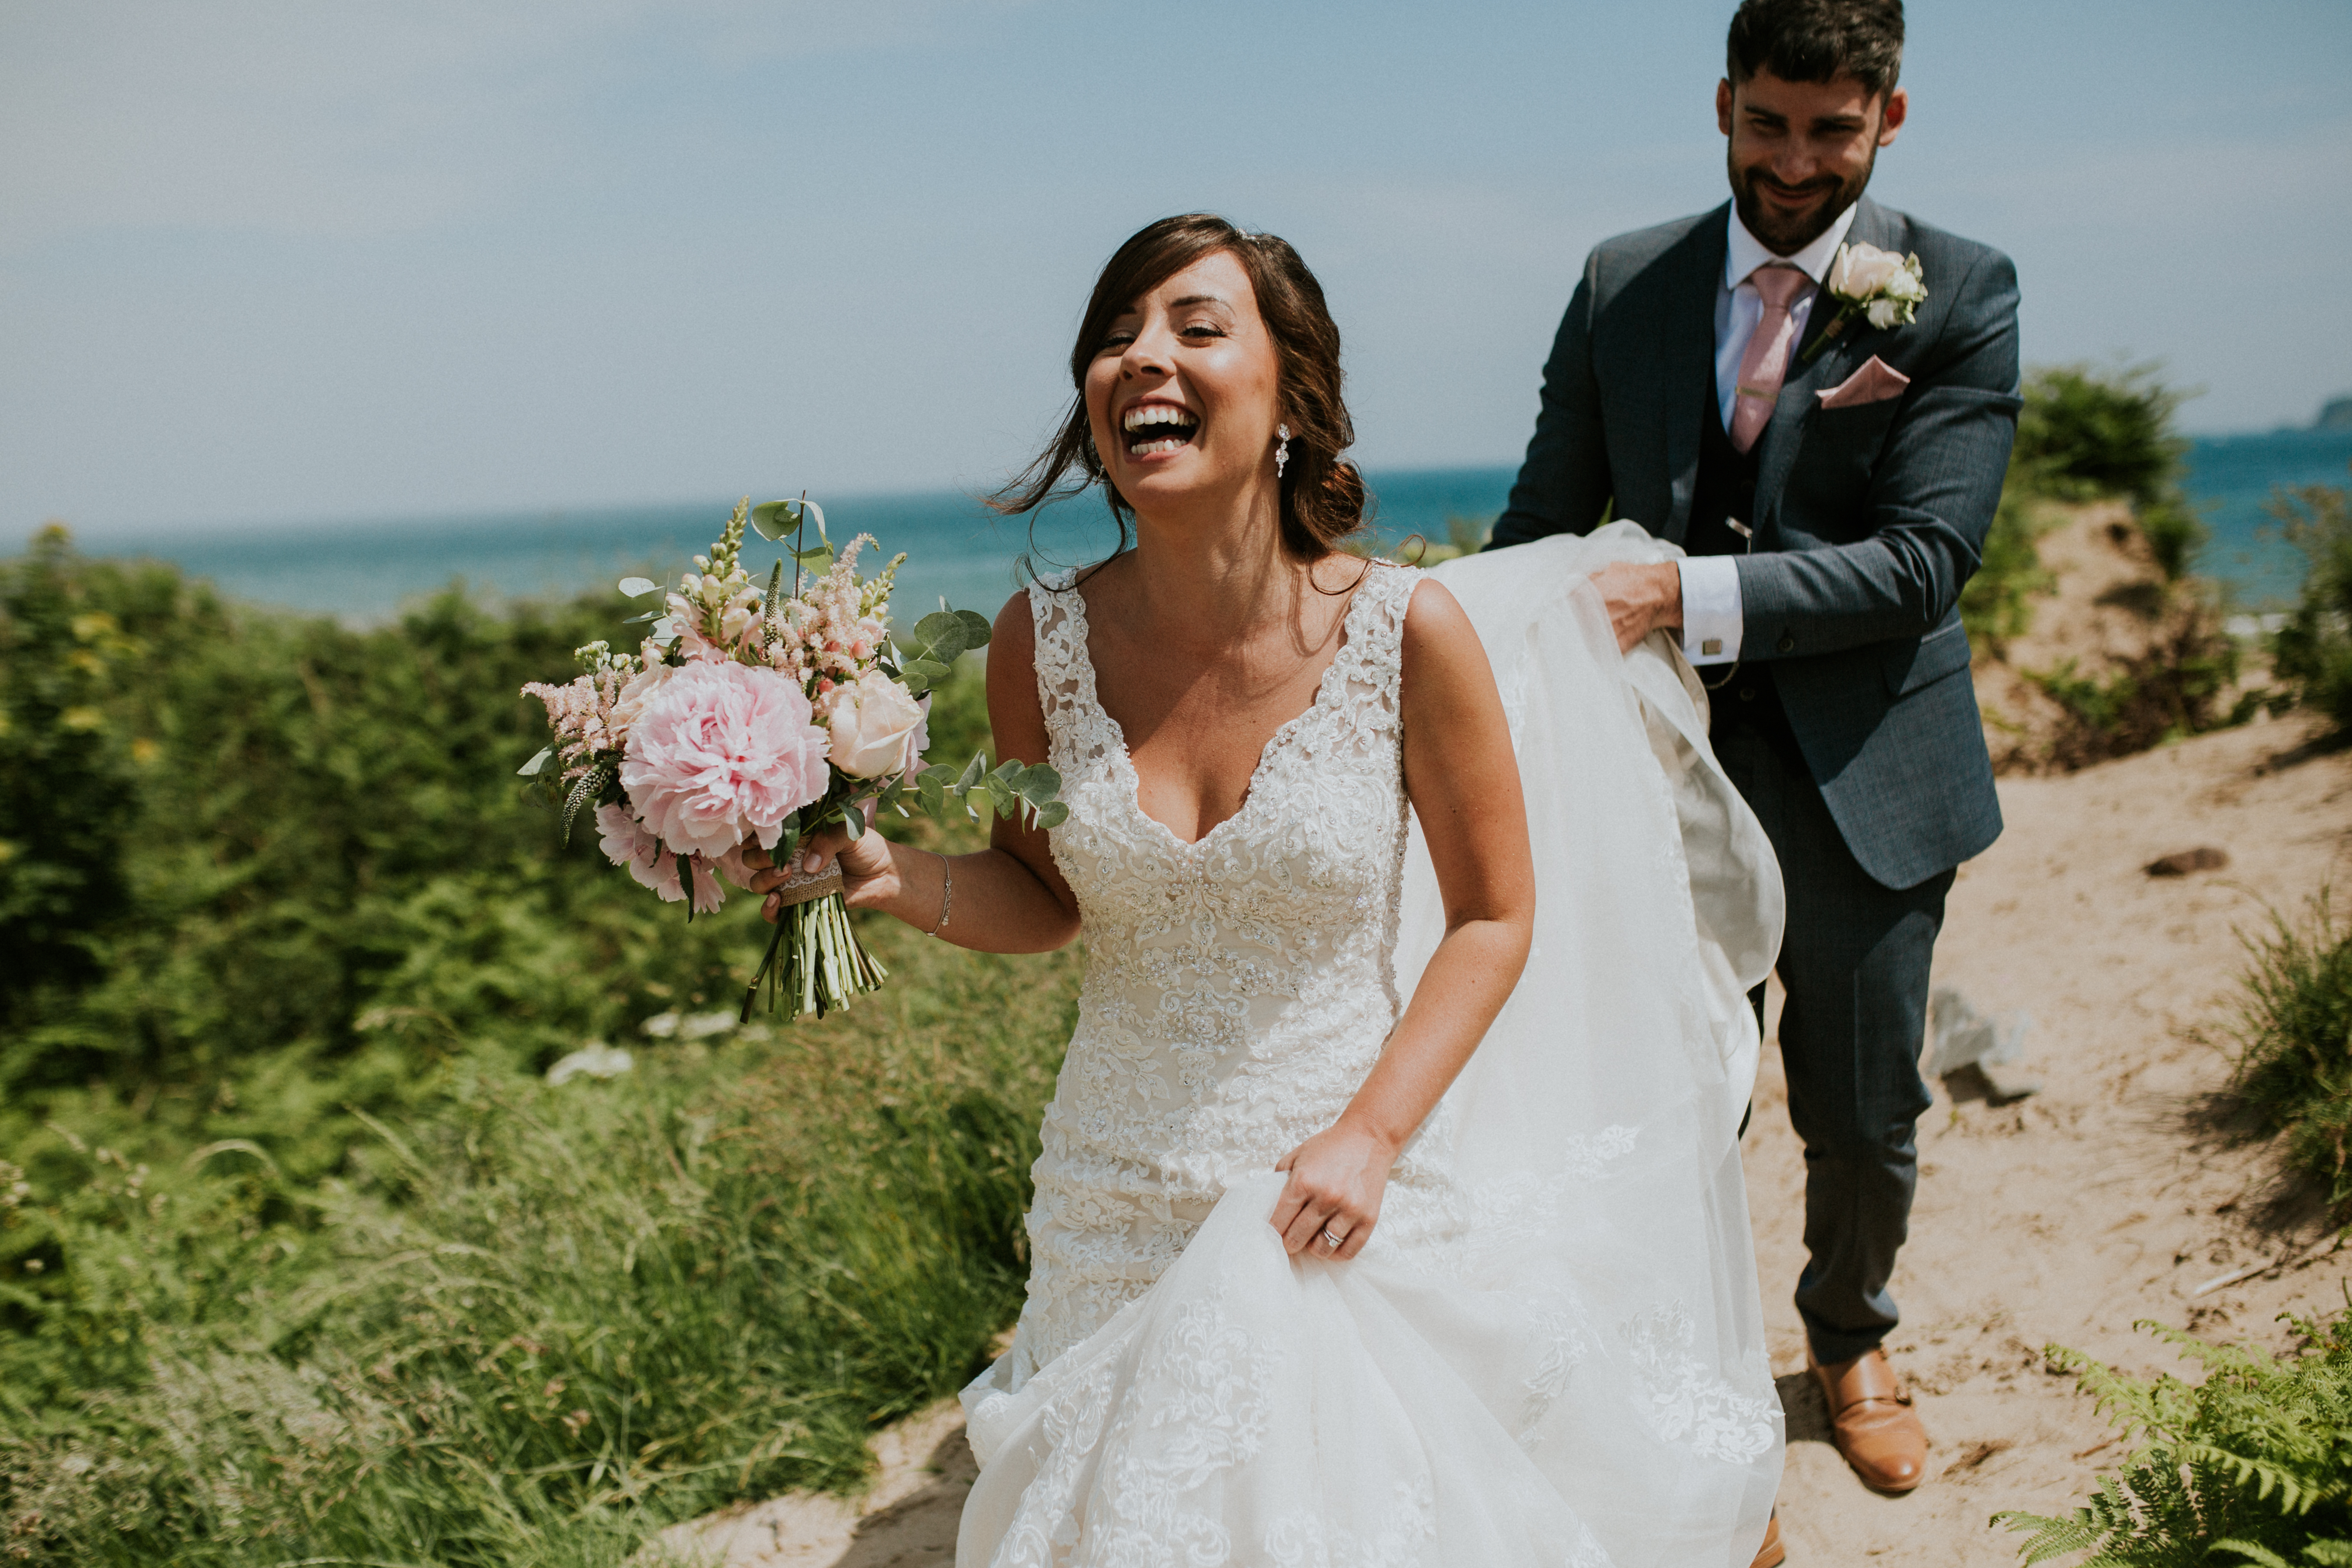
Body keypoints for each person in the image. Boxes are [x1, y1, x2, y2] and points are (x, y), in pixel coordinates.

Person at [755, 213, 1787, 1567]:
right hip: (1111, 1200)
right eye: (1115, 338)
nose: (1141, 362)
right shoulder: (1036, 643)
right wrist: (891, 879)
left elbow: (1494, 918)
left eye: (1194, 327)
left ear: (1294, 397)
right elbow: (1042, 896)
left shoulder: (1408, 634)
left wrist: (1367, 1139)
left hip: (1336, 1185)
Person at [1489, 0, 2021, 1507]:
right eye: (1768, 124)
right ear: (1723, 102)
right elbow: (1541, 524)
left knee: (1865, 1108)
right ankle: (1691, 1379)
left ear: (1890, 120)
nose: (1795, 164)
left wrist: (1677, 592)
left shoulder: (1963, 291)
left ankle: (1850, 1340)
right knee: (1673, 1105)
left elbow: (1925, 564)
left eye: (1833, 131)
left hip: (1874, 779)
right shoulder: (1620, 283)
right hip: (1655, 781)